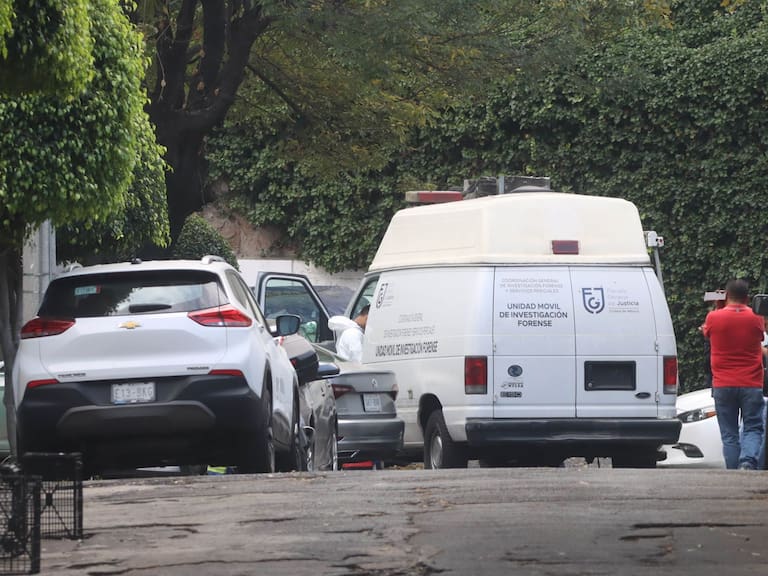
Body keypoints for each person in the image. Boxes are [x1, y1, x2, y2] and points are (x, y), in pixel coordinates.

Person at [702, 279, 765, 470]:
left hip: (723, 384)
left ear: (726, 295)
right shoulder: (757, 318)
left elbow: (708, 332)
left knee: (729, 434)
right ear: (748, 297)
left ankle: (732, 473)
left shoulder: (713, 317)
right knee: (753, 427)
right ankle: (747, 462)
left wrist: (719, 307)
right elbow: (760, 335)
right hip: (751, 383)